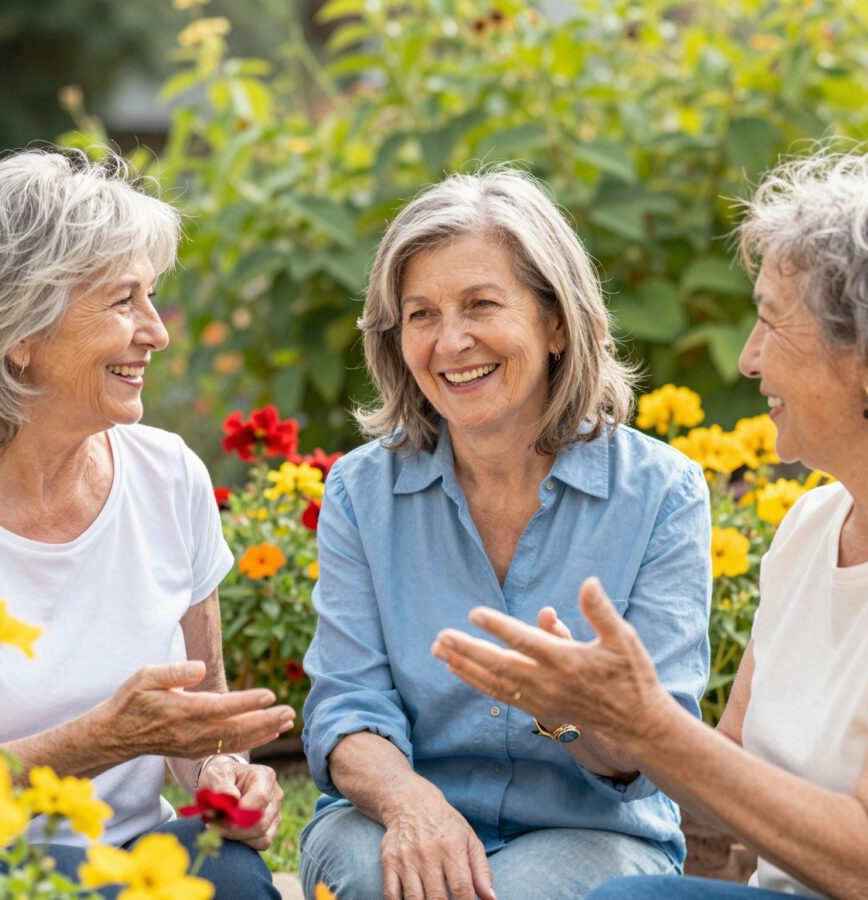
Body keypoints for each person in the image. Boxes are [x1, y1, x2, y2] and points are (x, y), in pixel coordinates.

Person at [431, 151, 868, 898]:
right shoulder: (816, 524)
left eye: (772, 322)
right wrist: (583, 715)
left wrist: (648, 722)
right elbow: (728, 777)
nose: (748, 359)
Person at [0, 149, 293, 898]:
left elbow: (197, 719)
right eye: (123, 302)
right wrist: (101, 740)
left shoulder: (169, 475)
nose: (157, 332)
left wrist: (223, 773)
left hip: (131, 857)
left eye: (151, 298)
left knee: (232, 875)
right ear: (19, 333)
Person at [298, 168, 712, 900]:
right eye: (421, 315)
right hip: (394, 815)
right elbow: (347, 707)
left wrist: (569, 709)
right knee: (374, 872)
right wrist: (412, 804)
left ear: (557, 323)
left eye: (481, 305)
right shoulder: (362, 492)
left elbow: (657, 751)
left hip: (591, 835)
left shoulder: (661, 494)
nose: (451, 341)